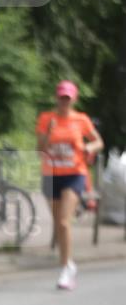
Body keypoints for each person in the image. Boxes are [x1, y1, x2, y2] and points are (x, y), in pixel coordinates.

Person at [36, 81, 103, 290]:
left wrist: (88, 146)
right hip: (51, 175)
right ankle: (69, 264)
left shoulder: (81, 119)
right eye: (61, 97)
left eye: (68, 97)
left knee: (64, 222)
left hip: (75, 173)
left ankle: (65, 269)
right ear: (56, 98)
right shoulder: (46, 119)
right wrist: (48, 132)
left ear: (74, 99)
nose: (64, 101)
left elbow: (99, 142)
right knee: (58, 223)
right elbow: (40, 148)